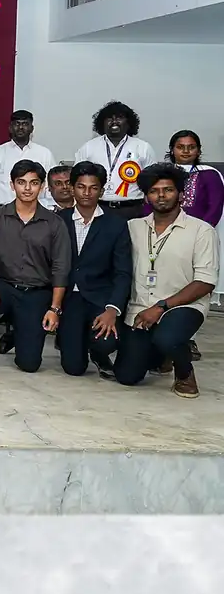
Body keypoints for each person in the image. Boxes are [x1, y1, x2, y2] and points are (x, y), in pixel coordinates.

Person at [115, 163, 217, 397]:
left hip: (184, 306)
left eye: (168, 190)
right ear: (146, 197)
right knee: (127, 376)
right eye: (154, 191)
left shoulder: (201, 231)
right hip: (140, 308)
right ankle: (161, 357)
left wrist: (161, 307)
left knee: (167, 337)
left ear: (180, 194)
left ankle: (185, 373)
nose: (161, 195)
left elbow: (205, 282)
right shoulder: (132, 227)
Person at [0, 160, 71, 375]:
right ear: (12, 185)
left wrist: (54, 308)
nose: (27, 188)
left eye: (34, 183)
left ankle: (17, 333)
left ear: (42, 186)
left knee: (29, 365)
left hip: (36, 291)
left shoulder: (54, 223)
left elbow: (61, 268)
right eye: (21, 182)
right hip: (2, 285)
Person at [58, 162, 132, 380]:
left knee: (106, 341)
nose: (87, 193)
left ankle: (99, 352)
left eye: (93, 187)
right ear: (72, 188)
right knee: (73, 368)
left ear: (101, 190)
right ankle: (72, 339)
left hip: (100, 297)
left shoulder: (116, 224)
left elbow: (123, 271)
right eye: (81, 187)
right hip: (69, 297)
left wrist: (113, 309)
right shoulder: (59, 220)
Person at [158, 130, 224, 362]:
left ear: (198, 150)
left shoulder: (210, 174)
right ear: (172, 149)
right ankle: (161, 331)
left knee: (192, 285)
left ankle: (188, 337)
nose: (186, 151)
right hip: (163, 236)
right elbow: (150, 203)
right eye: (180, 146)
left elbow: (215, 207)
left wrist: (198, 234)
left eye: (191, 147)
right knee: (165, 282)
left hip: (197, 239)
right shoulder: (161, 173)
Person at [73, 101, 158, 219]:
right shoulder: (88, 147)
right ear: (102, 123)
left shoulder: (143, 147)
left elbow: (153, 180)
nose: (114, 121)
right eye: (109, 118)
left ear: (128, 122)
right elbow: (76, 177)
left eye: (119, 118)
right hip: (98, 208)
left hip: (133, 209)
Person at [0, 110, 57, 206]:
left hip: (36, 209)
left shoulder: (44, 153)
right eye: (17, 124)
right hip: (4, 210)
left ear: (32, 128)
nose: (21, 127)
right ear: (10, 128)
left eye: (25, 124)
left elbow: (51, 185)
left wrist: (50, 207)